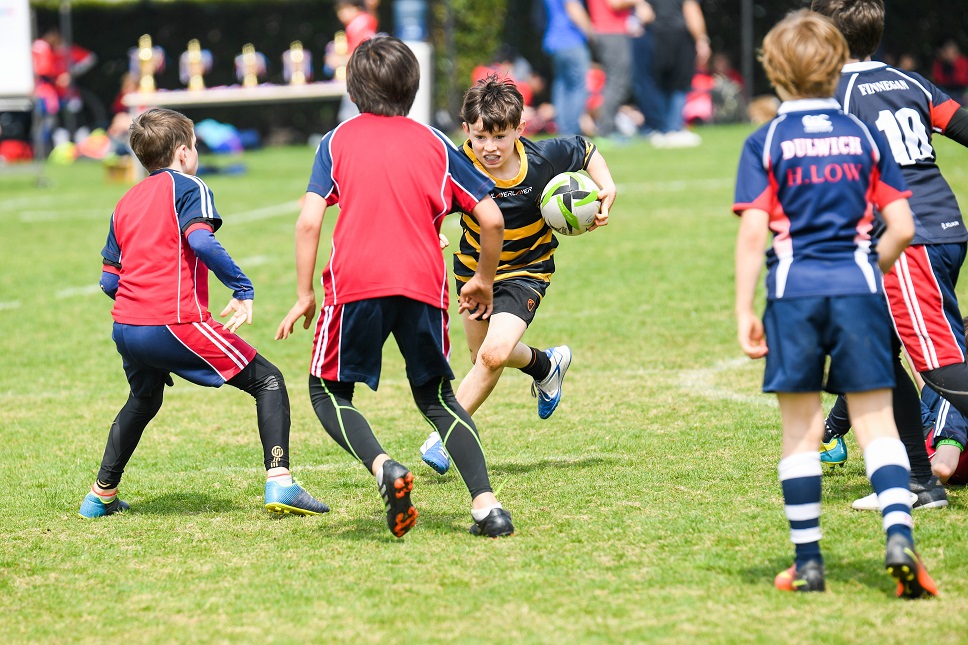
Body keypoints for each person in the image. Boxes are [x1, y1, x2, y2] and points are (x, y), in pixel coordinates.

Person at [275, 35, 513, 539]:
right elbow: (491, 218)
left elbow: (308, 222)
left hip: (355, 282)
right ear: (414, 86)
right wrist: (484, 280)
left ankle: (384, 467)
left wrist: (302, 294)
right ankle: (488, 507)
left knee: (327, 390)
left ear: (353, 88)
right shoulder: (436, 142)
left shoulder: (336, 141)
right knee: (438, 398)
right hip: (423, 283)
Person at [734, 10, 936, 597]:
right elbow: (899, 224)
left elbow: (753, 233)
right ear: (835, 67)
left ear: (775, 72)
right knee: (878, 426)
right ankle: (899, 536)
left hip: (794, 295)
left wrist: (744, 307)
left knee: (800, 432)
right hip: (858, 292)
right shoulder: (864, 135)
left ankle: (809, 564)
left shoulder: (766, 139)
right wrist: (867, 268)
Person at [79, 108, 328, 519]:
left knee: (143, 399)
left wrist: (141, 309)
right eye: (194, 145)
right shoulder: (190, 186)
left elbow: (109, 282)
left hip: (125, 326)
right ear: (182, 152)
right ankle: (280, 482)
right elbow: (201, 241)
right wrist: (242, 287)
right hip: (174, 321)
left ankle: (100, 495)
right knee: (268, 380)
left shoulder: (123, 203)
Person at [812, 0, 968, 510]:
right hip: (932, 228)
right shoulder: (912, 82)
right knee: (874, 354)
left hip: (910, 238)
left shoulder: (839, 93)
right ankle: (919, 482)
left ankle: (921, 479)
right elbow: (961, 125)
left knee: (939, 367)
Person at [418, 75, 616, 475]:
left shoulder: (542, 160)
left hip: (527, 270)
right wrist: (430, 225)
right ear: (466, 130)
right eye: (479, 137)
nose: (489, 148)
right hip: (475, 275)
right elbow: (426, 198)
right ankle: (546, 366)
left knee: (492, 355)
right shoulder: (458, 165)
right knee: (482, 358)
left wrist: (607, 187)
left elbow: (584, 148)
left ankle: (445, 436)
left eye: (500, 137)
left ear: (519, 130)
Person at [635, 0, 710, 148]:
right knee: (680, 84)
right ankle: (673, 128)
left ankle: (661, 128)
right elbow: (691, 11)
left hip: (654, 36)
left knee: (659, 83)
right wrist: (702, 39)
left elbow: (644, 14)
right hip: (680, 36)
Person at [585, 0, 638, 139]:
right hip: (611, 31)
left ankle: (607, 128)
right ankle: (605, 131)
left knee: (615, 82)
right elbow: (615, 3)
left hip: (609, 31)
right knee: (617, 83)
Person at [541, 0, 594, 136]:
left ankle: (563, 130)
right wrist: (591, 33)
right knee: (578, 87)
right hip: (572, 40)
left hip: (554, 41)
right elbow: (573, 8)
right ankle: (572, 131)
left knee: (562, 85)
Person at [324, 0, 378, 121]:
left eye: (344, 9)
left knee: (351, 118)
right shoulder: (360, 23)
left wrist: (339, 60)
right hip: (362, 78)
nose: (341, 14)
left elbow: (362, 53)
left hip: (362, 79)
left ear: (355, 8)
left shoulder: (360, 23)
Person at [932, 39, 968, 105]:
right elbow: (938, 80)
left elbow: (961, 80)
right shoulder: (940, 64)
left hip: (961, 91)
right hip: (946, 91)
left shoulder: (962, 62)